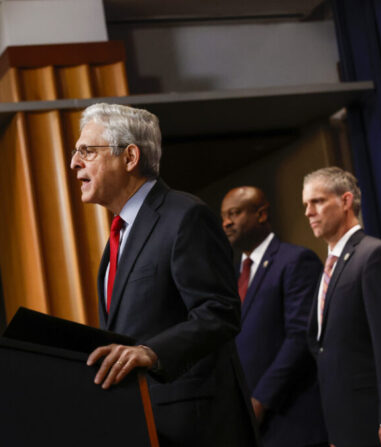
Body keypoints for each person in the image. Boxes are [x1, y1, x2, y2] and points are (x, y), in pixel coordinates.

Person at [70, 103, 257, 447]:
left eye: (87, 151)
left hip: (195, 427)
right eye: (75, 151)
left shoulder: (186, 217)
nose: (74, 162)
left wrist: (152, 352)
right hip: (144, 421)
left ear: (129, 157)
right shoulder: (119, 235)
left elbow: (220, 312)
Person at [221, 185, 328, 447]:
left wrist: (261, 400)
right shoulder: (232, 276)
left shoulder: (295, 261)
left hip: (292, 419)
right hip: (253, 427)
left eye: (234, 213)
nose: (226, 223)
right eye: (223, 216)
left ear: (261, 213)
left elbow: (299, 337)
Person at [302, 167, 381, 447]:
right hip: (342, 423)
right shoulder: (329, 264)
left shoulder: (373, 256)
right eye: (305, 205)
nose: (308, 212)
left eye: (317, 201)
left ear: (345, 201)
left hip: (373, 423)